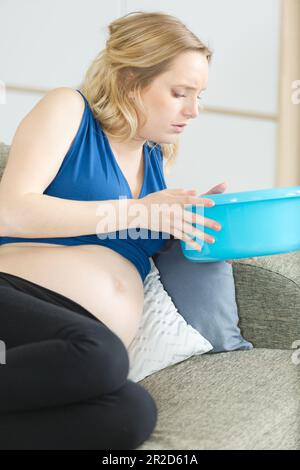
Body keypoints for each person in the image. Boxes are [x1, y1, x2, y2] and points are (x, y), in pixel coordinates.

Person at [0, 11, 221, 449]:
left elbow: (130, 241)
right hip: (18, 297)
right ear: (129, 79)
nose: (193, 111)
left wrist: (187, 223)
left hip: (78, 345)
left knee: (130, 414)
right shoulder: (69, 109)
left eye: (199, 96)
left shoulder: (156, 159)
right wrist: (137, 212)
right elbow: (11, 211)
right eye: (180, 93)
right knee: (100, 356)